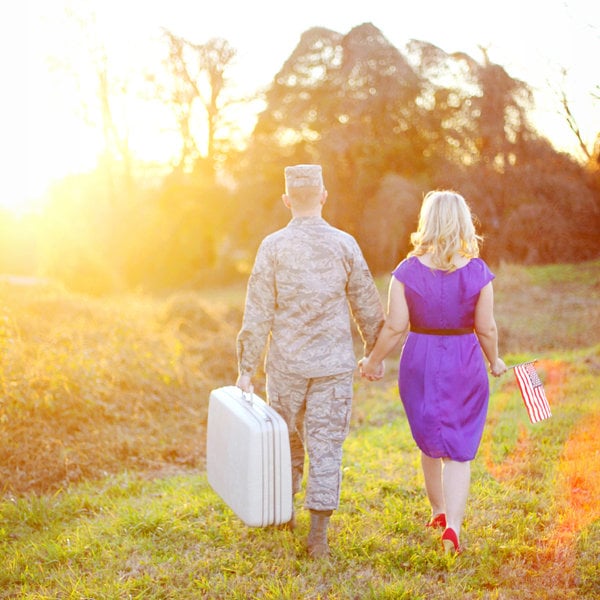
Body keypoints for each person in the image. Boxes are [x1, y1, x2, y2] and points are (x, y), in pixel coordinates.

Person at [236, 164, 385, 558]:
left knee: (285, 438)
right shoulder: (344, 244)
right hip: (334, 367)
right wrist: (375, 352)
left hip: (286, 367)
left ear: (287, 200)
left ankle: (284, 512)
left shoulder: (272, 247)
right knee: (326, 444)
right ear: (323, 195)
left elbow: (257, 313)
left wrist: (245, 369)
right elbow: (367, 303)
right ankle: (317, 534)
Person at [360, 190, 507, 554]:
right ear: (463, 222)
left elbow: (394, 327)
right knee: (458, 447)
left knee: (429, 438)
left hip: (421, 360)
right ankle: (453, 526)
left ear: (427, 221)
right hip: (464, 360)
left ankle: (439, 511)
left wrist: (374, 360)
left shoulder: (407, 272)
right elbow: (486, 328)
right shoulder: (478, 273)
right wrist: (495, 360)